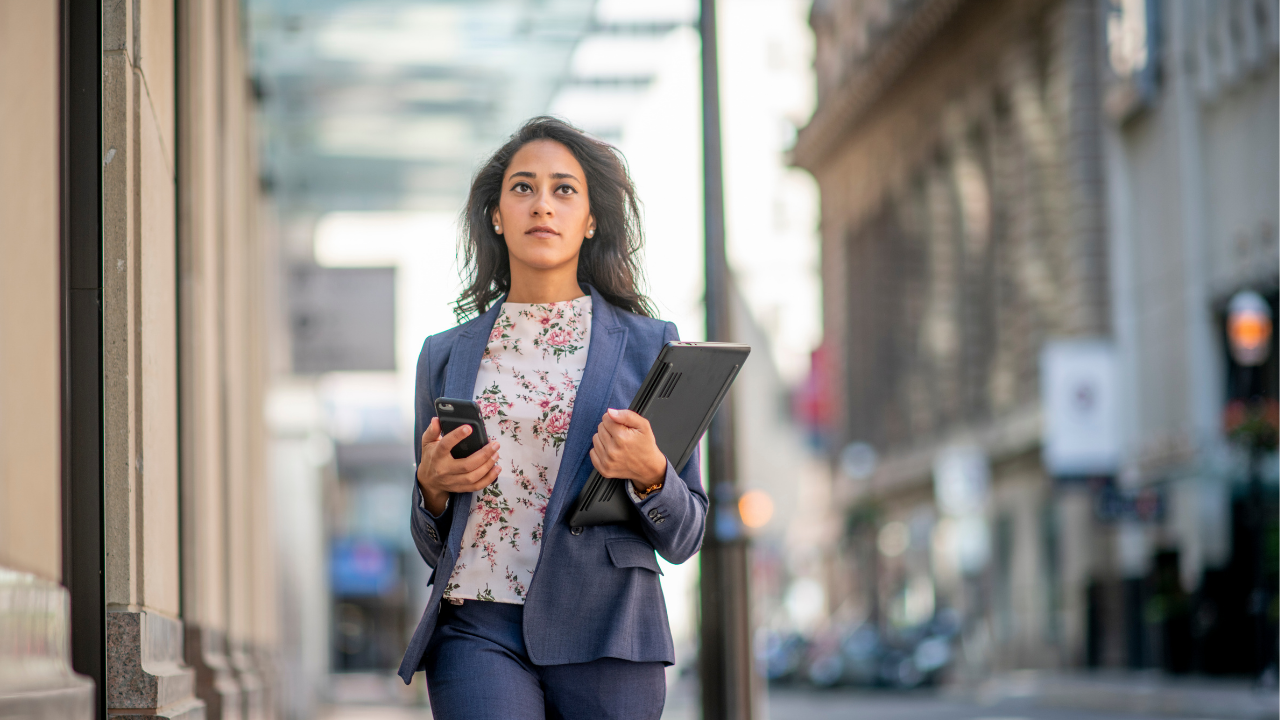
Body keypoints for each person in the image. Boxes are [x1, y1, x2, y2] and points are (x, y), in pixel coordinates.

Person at [398, 116, 707, 720]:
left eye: (564, 189)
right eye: (523, 188)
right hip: (476, 625)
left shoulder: (651, 347)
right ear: (496, 214)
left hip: (609, 628)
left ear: (590, 219)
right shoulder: (444, 355)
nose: (542, 204)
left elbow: (686, 534)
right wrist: (430, 490)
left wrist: (651, 474)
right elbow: (433, 541)